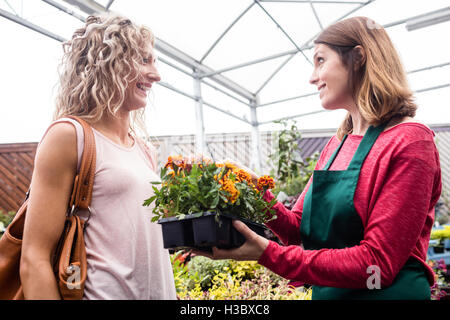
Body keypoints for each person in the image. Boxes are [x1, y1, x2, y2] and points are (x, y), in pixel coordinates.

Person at [196, 16, 442, 300]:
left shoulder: (409, 142)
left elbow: (377, 264)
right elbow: (297, 229)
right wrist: (252, 190)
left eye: (320, 61)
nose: (313, 78)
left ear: (358, 58)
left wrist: (268, 253)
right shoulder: (337, 144)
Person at [19, 13, 177, 300]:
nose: (156, 74)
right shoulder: (69, 136)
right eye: (144, 60)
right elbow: (34, 258)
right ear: (108, 63)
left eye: (154, 61)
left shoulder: (144, 150)